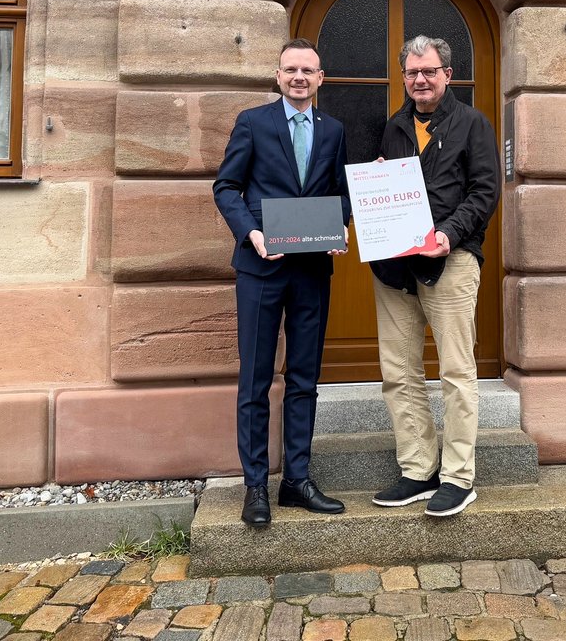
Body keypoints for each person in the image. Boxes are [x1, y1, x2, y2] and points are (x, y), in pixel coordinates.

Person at [213, 38, 351, 527]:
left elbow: (338, 193)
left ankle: (297, 479)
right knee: (254, 379)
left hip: (312, 271)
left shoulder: (333, 130)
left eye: (307, 70)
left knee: (304, 378)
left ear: (320, 79)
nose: (299, 77)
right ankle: (256, 486)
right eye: (290, 69)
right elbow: (226, 187)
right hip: (261, 268)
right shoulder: (253, 123)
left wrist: (341, 228)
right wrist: (251, 232)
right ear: (278, 77)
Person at [369, 35, 501, 517]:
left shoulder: (473, 124)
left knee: (457, 372)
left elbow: (486, 191)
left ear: (448, 73)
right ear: (403, 77)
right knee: (399, 372)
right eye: (411, 73)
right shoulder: (395, 126)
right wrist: (381, 180)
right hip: (394, 267)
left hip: (452, 259)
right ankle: (418, 470)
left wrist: (449, 233)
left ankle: (459, 478)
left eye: (428, 71)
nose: (419, 80)